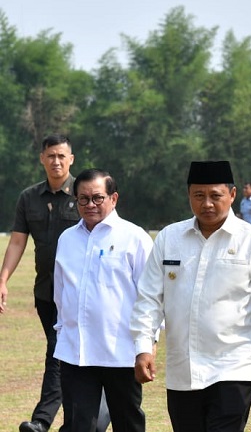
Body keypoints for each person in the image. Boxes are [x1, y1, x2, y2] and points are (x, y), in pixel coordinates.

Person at [130, 161, 251, 432]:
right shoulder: (170, 238)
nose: (207, 204)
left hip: (235, 366)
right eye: (199, 195)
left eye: (215, 195)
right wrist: (143, 347)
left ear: (232, 194)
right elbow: (149, 299)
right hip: (183, 370)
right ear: (189, 195)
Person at [53, 168, 152, 430]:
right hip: (76, 353)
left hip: (120, 353)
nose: (90, 205)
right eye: (83, 199)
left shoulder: (134, 238)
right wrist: (63, 333)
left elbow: (151, 297)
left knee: (128, 423)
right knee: (78, 425)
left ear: (113, 198)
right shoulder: (67, 239)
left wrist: (147, 345)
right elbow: (61, 294)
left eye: (97, 198)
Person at [0, 134, 80, 432]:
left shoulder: (84, 194)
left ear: (71, 159)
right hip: (45, 292)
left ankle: (41, 420)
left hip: (78, 293)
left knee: (57, 355)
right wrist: (3, 280)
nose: (56, 161)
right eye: (51, 156)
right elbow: (17, 241)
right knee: (65, 355)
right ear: (42, 159)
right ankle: (82, 418)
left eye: (61, 156)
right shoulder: (29, 197)